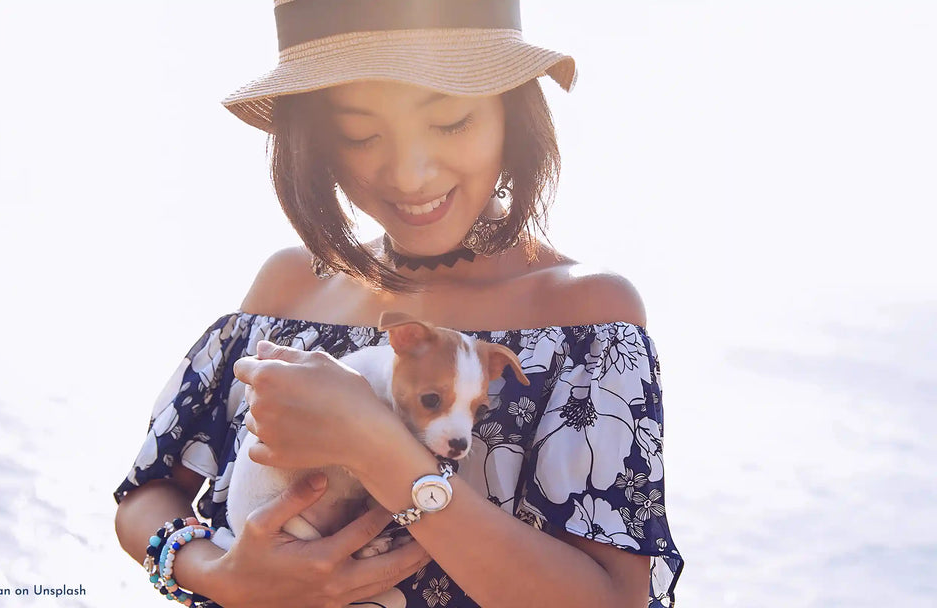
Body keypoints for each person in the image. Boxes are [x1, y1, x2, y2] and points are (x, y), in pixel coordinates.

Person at [114, 1, 683, 606]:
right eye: (360, 133)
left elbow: (616, 600)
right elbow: (148, 492)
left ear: (511, 113)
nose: (409, 175)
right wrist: (215, 574)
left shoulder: (586, 317)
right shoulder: (287, 288)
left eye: (451, 122)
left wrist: (375, 446)